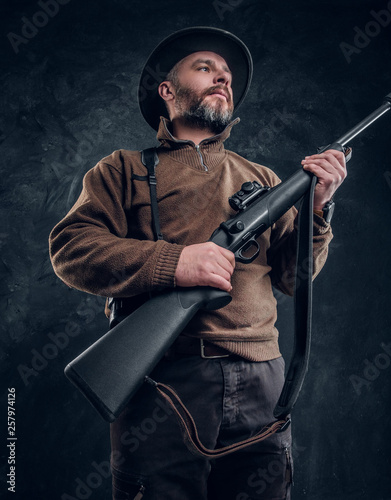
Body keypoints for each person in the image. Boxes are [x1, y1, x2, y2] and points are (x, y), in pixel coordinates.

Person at [49, 27, 346, 500]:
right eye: (206, 68)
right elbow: (71, 249)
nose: (222, 80)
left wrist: (317, 210)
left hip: (263, 383)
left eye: (227, 76)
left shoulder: (264, 178)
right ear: (167, 91)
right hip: (164, 382)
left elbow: (294, 277)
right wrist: (175, 263)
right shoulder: (123, 169)